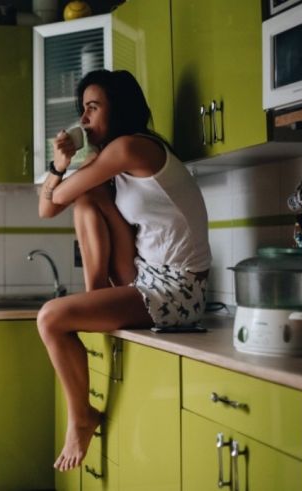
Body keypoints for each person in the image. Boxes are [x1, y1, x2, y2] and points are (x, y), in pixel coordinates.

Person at [36, 69, 212, 472]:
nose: (84, 120)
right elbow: (48, 209)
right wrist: (62, 167)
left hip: (179, 290)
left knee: (50, 318)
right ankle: (95, 294)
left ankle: (81, 417)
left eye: (93, 108)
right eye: (83, 110)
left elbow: (52, 198)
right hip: (147, 276)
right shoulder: (112, 157)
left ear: (120, 108)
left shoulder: (132, 148)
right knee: (87, 200)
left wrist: (59, 165)